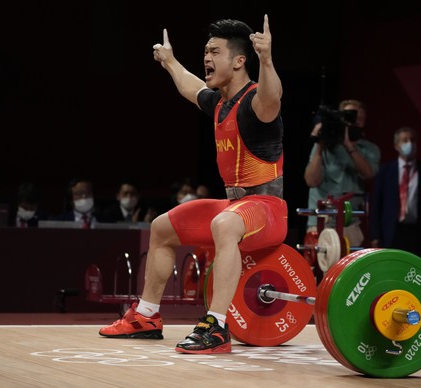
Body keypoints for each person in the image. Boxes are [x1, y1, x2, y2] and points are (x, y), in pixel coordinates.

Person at [99, 15, 286, 354]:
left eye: (215, 51)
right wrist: (170, 62)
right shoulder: (219, 103)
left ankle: (216, 326)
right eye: (205, 51)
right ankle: (147, 316)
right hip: (235, 207)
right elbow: (191, 85)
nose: (207, 58)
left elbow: (273, 99)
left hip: (269, 211)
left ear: (240, 60)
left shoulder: (256, 103)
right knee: (162, 226)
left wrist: (268, 61)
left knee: (224, 223)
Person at [304, 99, 380, 247]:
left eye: (360, 119)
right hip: (320, 221)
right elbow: (311, 181)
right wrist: (319, 145)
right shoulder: (324, 145)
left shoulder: (370, 149)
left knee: (349, 269)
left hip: (349, 224)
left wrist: (348, 145)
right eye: (351, 118)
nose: (355, 123)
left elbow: (368, 173)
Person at [369, 126, 421, 262]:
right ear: (397, 145)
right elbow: (376, 205)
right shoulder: (385, 171)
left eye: (412, 140)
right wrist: (375, 235)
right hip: (392, 231)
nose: (410, 144)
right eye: (405, 140)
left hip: (418, 232)